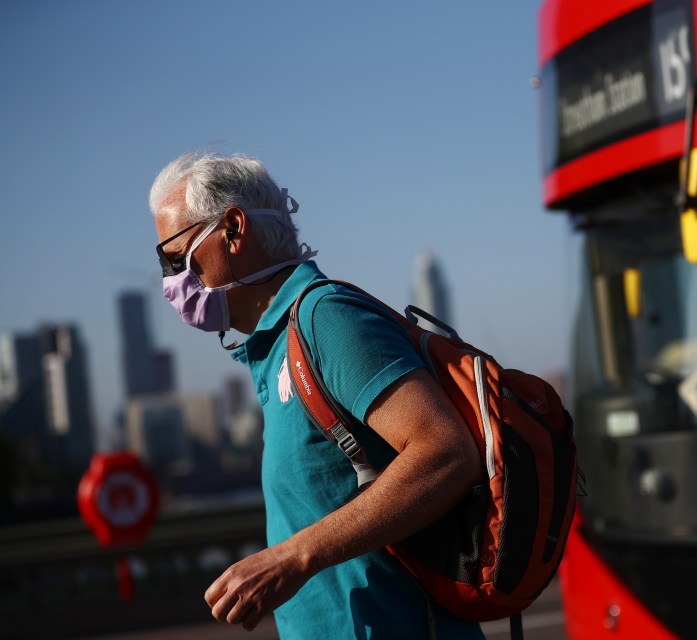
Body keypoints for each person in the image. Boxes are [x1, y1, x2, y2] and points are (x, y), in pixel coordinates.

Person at [149, 150, 486, 639]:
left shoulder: (325, 320)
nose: (171, 281)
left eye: (174, 256)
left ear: (233, 230)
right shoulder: (276, 345)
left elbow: (446, 453)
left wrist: (292, 556)